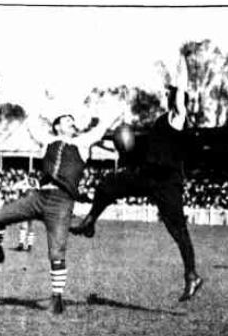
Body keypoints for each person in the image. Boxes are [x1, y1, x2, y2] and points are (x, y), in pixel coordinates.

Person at [69, 59, 203, 302]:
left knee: (178, 230)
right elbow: (136, 148)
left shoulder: (177, 117)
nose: (164, 95)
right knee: (107, 185)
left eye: (167, 93)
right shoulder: (160, 122)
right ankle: (89, 221)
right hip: (147, 176)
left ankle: (191, 275)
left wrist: (182, 62)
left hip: (167, 182)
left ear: (173, 97)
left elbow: (181, 92)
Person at [0, 112, 121, 314]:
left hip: (62, 201)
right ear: (57, 126)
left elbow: (101, 127)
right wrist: (38, 108)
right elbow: (31, 125)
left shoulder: (83, 143)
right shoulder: (47, 141)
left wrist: (116, 113)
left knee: (56, 252)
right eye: (68, 120)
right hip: (39, 197)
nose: (73, 123)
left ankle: (57, 298)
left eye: (73, 121)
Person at [10, 175, 40, 251]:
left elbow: (14, 187)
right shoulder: (36, 183)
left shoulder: (28, 183)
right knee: (28, 227)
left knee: (26, 227)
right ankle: (26, 244)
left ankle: (24, 244)